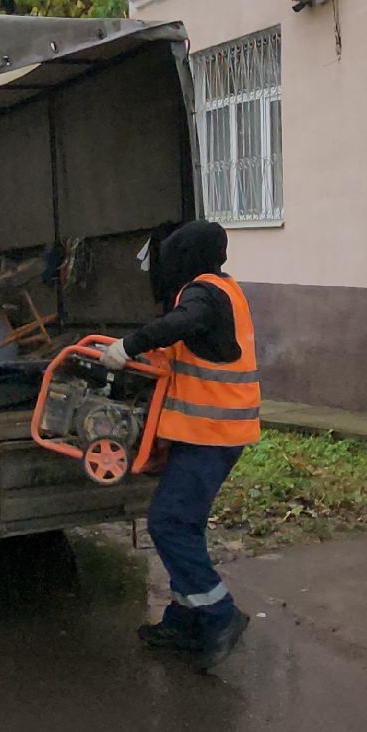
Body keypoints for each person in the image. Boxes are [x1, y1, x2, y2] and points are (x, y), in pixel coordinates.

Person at [100, 220, 260, 671]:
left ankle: (220, 614)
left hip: (213, 435)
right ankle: (184, 621)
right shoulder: (221, 290)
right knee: (182, 525)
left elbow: (183, 324)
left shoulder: (204, 293)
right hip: (207, 435)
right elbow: (186, 346)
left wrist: (129, 345)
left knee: (168, 523)